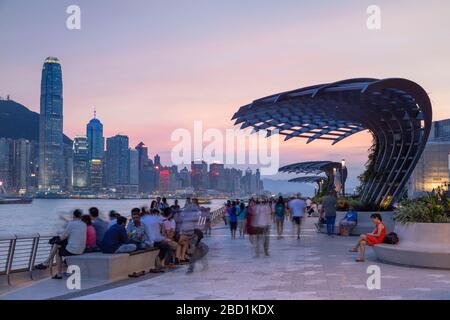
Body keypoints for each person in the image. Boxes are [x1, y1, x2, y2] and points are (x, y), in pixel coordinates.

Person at [45, 209, 87, 279]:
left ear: (73, 215)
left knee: (58, 252)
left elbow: (62, 237)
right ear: (81, 216)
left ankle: (58, 273)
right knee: (59, 246)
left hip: (73, 250)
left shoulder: (71, 223)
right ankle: (46, 262)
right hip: (81, 250)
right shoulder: (84, 224)